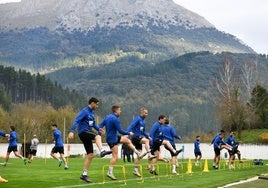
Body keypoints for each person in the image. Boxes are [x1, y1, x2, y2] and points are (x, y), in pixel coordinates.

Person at [68, 97, 112, 183]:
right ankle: (102, 150)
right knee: (97, 136)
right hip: (83, 132)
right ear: (92, 103)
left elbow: (93, 124)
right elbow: (76, 120)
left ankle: (84, 174)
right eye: (96, 104)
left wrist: (99, 129)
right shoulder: (84, 111)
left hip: (87, 133)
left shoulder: (92, 113)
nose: (97, 106)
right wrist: (71, 131)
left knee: (90, 155)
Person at [98, 105, 147, 180]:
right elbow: (120, 131)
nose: (120, 111)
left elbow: (100, 125)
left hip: (113, 137)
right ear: (116, 110)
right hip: (112, 139)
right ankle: (109, 172)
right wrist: (128, 133)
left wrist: (100, 130)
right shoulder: (115, 119)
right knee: (115, 157)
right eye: (119, 110)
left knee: (127, 140)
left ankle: (137, 152)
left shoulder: (107, 117)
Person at [126, 107, 155, 177]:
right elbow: (131, 126)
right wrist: (127, 132)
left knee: (139, 155)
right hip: (135, 137)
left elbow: (143, 131)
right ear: (141, 112)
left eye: (147, 113)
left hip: (139, 137)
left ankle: (135, 170)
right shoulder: (137, 119)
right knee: (146, 141)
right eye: (145, 113)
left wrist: (148, 136)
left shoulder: (144, 121)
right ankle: (149, 154)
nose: (146, 114)